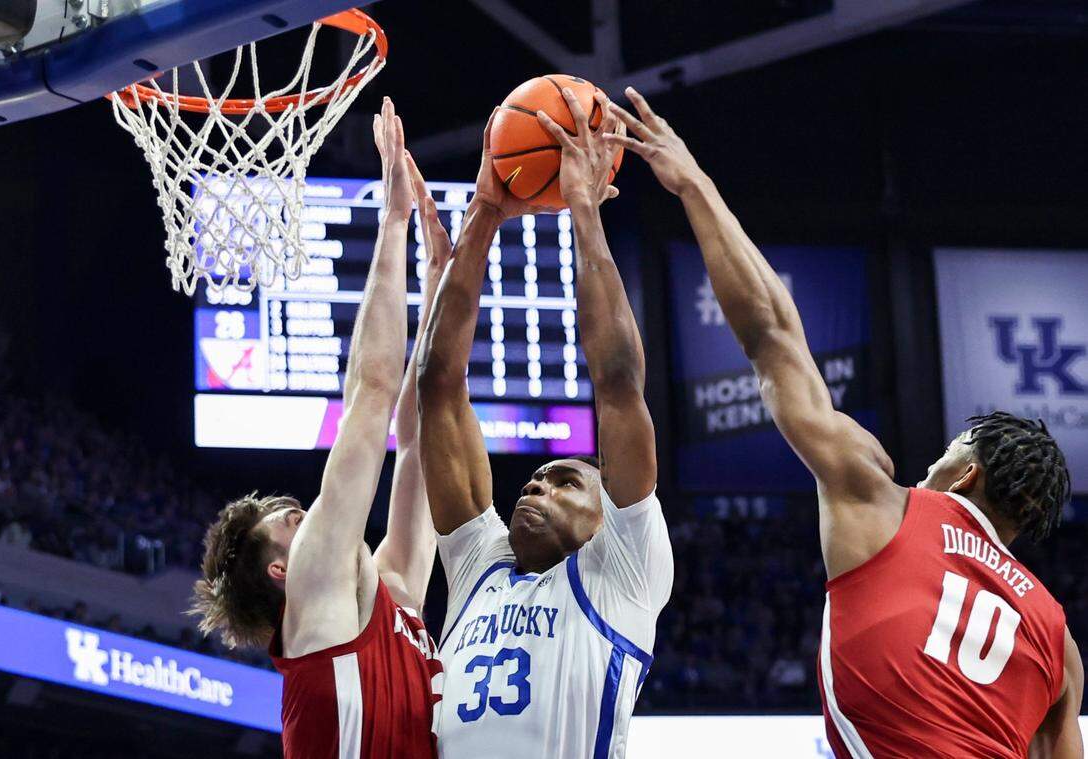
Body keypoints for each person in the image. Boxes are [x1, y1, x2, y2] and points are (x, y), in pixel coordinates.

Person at [601, 87, 1084, 758]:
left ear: (967, 470)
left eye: (946, 451)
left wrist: (693, 184)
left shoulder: (879, 496)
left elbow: (772, 335)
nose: (930, 465)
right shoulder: (1057, 640)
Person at [415, 92, 673, 759]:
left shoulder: (622, 568)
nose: (537, 487)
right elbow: (437, 388)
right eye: (535, 477)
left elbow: (617, 381)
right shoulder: (481, 564)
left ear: (606, 515)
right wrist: (484, 214)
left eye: (564, 482)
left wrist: (583, 207)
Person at [189, 98, 448, 759]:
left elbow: (421, 435)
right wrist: (393, 224)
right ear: (281, 568)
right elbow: (371, 397)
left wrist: (441, 286)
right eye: (284, 518)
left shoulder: (388, 593)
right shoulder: (314, 590)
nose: (298, 508)